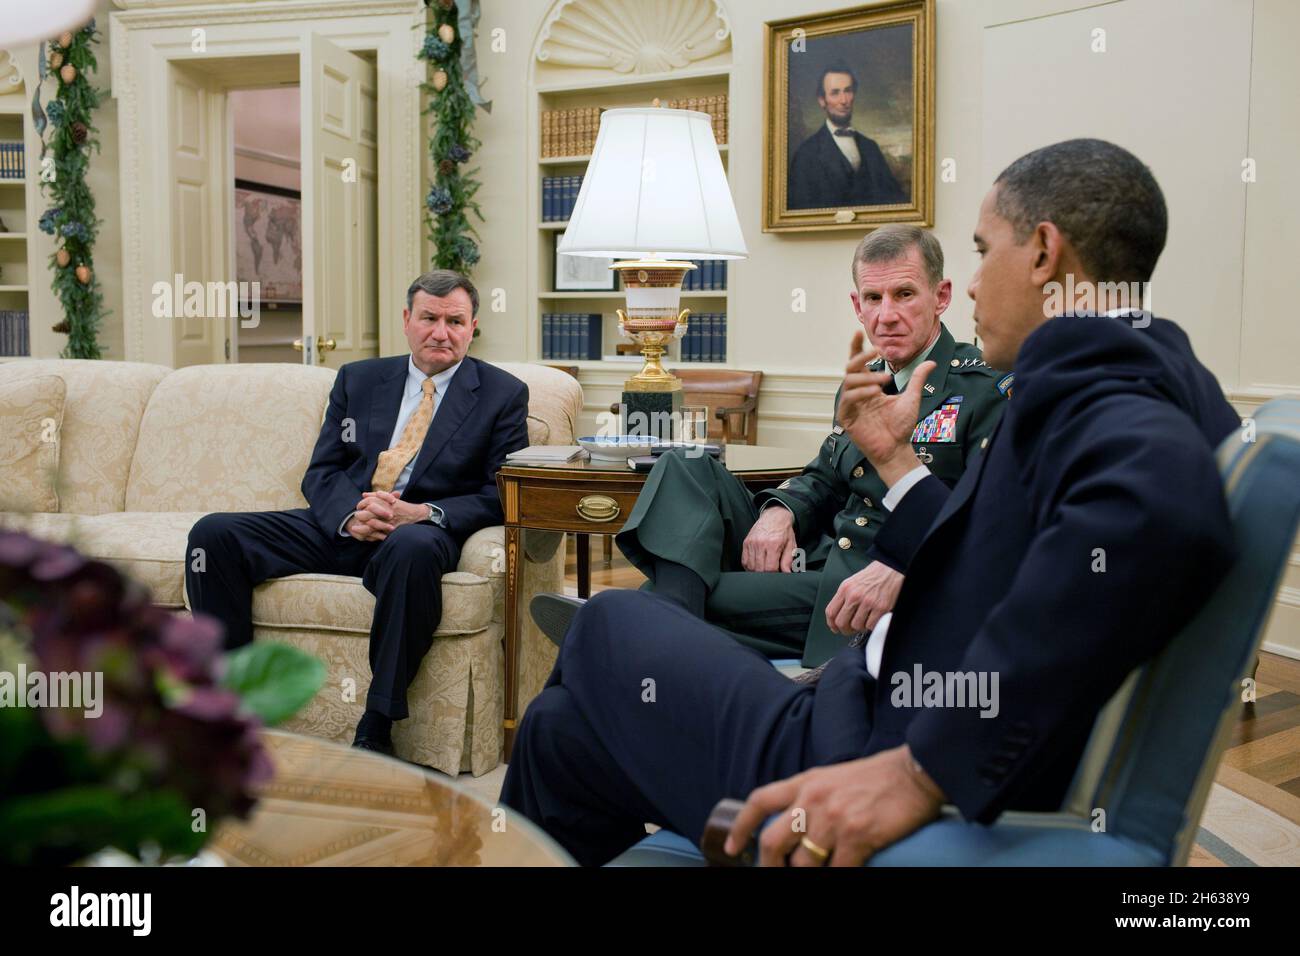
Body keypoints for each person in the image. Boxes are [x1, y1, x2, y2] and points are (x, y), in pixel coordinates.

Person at [501, 139, 1241, 867]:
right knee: (557, 731)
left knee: (605, 622)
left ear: (1044, 253)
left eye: (984, 251)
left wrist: (921, 773)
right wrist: (894, 459)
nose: (977, 283)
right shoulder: (1128, 368)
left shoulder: (1100, 395)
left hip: (850, 748)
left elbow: (1165, 508)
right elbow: (988, 549)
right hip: (854, 694)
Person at [602, 225, 1007, 668]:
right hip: (816, 552)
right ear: (857, 305)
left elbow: (981, 523)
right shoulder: (863, 379)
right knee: (685, 462)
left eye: (904, 294)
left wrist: (903, 562)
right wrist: (781, 512)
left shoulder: (983, 390)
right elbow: (826, 476)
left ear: (941, 296)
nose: (887, 315)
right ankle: (663, 623)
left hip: (869, 578)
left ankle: (649, 629)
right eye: (873, 298)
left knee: (664, 595)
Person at [186, 270, 528, 756]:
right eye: (429, 318)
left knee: (412, 549)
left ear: (473, 327)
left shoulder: (501, 394)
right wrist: (350, 514)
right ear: (407, 320)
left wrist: (422, 512)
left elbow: (500, 492)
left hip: (417, 535)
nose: (441, 332)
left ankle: (377, 724)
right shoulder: (360, 379)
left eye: (455, 321)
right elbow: (322, 471)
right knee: (213, 535)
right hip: (344, 523)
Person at [787, 64, 908, 210]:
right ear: (822, 100)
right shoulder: (806, 154)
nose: (843, 100)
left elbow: (896, 202)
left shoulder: (870, 148)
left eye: (848, 91)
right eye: (835, 93)